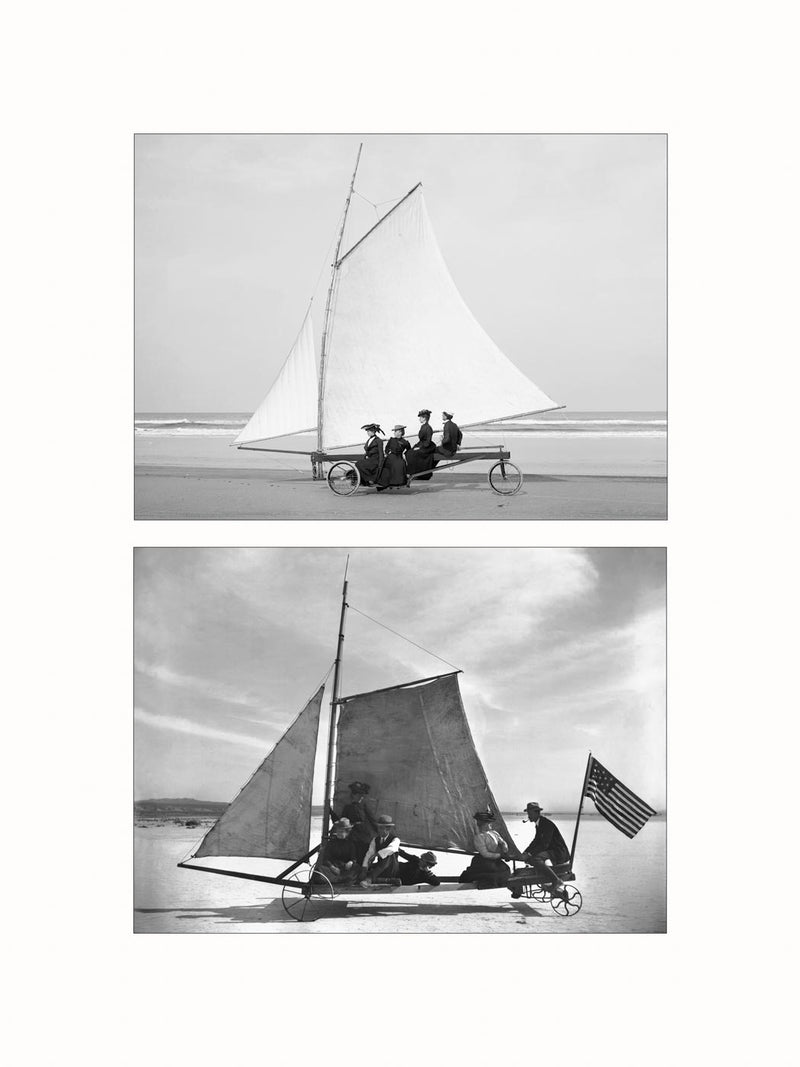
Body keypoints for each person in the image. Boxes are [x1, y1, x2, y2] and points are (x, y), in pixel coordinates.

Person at [510, 801, 570, 900]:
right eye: (528, 814)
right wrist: (525, 853)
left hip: (558, 852)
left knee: (535, 859)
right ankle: (544, 875)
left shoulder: (546, 824)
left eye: (530, 814)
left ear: (536, 812)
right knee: (530, 858)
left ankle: (556, 880)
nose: (528, 816)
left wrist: (529, 854)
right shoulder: (539, 823)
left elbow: (544, 844)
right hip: (551, 851)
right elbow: (536, 841)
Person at [459, 810, 511, 887]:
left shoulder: (494, 833)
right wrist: (500, 855)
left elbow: (502, 842)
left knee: (505, 869)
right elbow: (485, 854)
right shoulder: (479, 837)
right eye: (488, 823)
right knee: (492, 871)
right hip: (483, 861)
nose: (490, 825)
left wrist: (504, 848)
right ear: (483, 824)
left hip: (495, 860)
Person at [335, 781, 378, 864]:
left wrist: (379, 831)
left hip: (365, 834)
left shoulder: (364, 806)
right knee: (353, 853)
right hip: (353, 834)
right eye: (359, 794)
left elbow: (372, 819)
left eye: (362, 795)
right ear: (353, 795)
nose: (361, 797)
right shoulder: (347, 808)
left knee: (365, 853)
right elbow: (342, 821)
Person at [360, 814, 401, 886]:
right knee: (362, 872)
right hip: (380, 869)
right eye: (379, 828)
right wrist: (364, 867)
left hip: (391, 869)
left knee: (390, 854)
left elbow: (392, 849)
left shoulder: (395, 840)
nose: (379, 830)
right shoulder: (375, 840)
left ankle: (369, 879)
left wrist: (377, 854)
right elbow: (369, 853)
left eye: (382, 828)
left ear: (388, 829)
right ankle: (387, 881)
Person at [315, 818, 359, 885]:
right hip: (333, 868)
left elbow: (354, 858)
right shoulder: (331, 843)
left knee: (357, 869)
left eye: (342, 831)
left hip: (345, 869)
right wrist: (332, 867)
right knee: (319, 871)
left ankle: (338, 880)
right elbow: (326, 859)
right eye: (338, 831)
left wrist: (351, 862)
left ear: (347, 832)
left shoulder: (350, 844)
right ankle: (342, 880)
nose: (339, 833)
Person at [405, 409, 436, 481]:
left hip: (427, 446)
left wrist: (419, 448)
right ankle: (413, 472)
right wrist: (416, 446)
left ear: (424, 418)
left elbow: (427, 441)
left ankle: (415, 473)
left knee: (412, 454)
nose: (419, 419)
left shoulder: (428, 428)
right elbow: (421, 440)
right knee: (409, 452)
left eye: (420, 417)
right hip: (422, 444)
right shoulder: (423, 426)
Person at [377, 425, 411, 489]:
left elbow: (409, 450)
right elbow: (387, 448)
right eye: (395, 431)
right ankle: (388, 482)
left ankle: (398, 482)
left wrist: (405, 455)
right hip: (391, 456)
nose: (394, 433)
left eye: (396, 431)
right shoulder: (391, 440)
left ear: (400, 432)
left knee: (401, 464)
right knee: (389, 463)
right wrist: (387, 453)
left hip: (399, 457)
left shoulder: (405, 442)